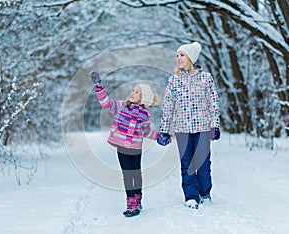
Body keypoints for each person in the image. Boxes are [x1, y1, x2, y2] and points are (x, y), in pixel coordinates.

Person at [157, 42, 220, 209]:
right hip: (182, 129)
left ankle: (205, 191)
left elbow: (213, 102)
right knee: (187, 163)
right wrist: (164, 130)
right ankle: (191, 196)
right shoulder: (173, 81)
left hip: (203, 127)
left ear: (191, 58)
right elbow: (168, 106)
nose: (178, 58)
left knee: (203, 163)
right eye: (177, 55)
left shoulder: (206, 78)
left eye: (182, 55)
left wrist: (215, 125)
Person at [90, 71, 159, 217]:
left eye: (137, 92)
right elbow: (106, 103)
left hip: (135, 148)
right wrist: (99, 87)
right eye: (133, 90)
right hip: (122, 147)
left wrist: (159, 137)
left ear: (143, 99)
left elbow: (146, 131)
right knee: (127, 174)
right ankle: (131, 203)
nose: (133, 93)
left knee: (136, 173)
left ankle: (138, 198)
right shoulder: (120, 106)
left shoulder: (145, 114)